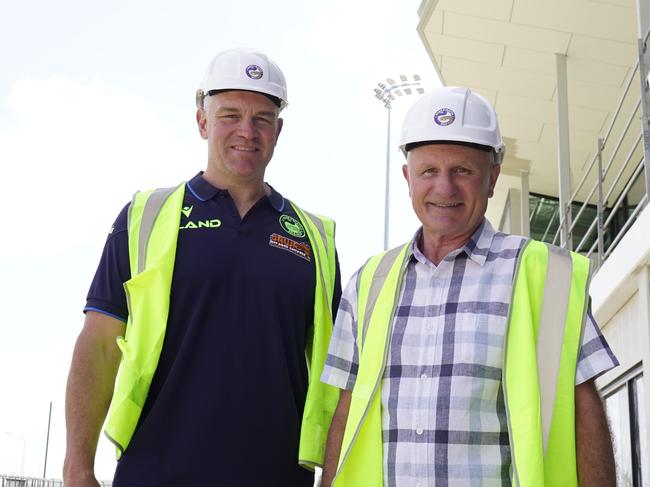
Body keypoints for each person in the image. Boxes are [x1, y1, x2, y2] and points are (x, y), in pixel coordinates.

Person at [63, 48, 341, 487]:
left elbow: (337, 373)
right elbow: (98, 344)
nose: (246, 132)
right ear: (202, 121)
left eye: (262, 119)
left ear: (278, 130)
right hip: (155, 474)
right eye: (230, 114)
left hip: (276, 477)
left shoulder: (315, 238)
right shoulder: (145, 217)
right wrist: (77, 468)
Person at [321, 87, 618, 486]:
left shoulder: (547, 277)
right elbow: (346, 411)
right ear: (408, 178)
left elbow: (585, 411)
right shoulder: (369, 282)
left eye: (462, 170)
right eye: (428, 171)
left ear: (492, 178)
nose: (444, 188)